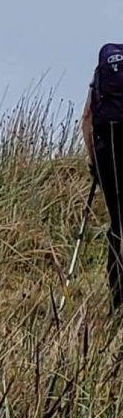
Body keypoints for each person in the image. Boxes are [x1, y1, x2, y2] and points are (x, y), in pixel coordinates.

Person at [84, 44, 123, 310]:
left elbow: (86, 119)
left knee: (118, 223)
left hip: (106, 151)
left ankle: (116, 300)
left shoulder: (99, 74)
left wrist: (94, 161)